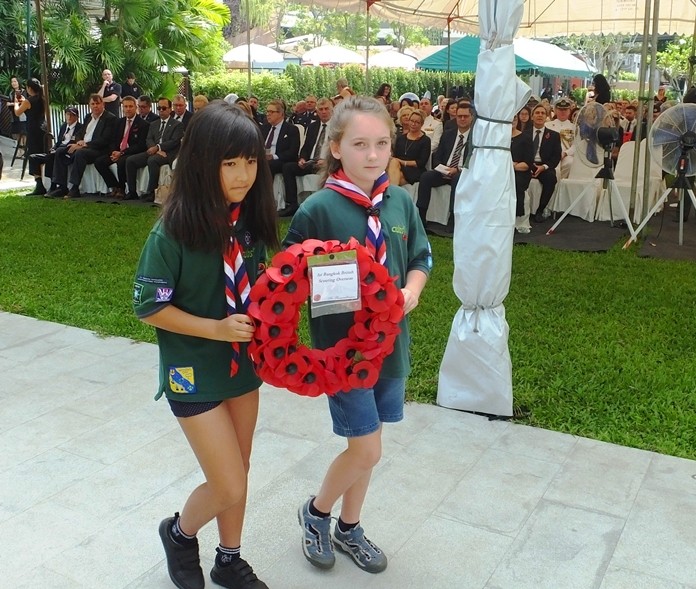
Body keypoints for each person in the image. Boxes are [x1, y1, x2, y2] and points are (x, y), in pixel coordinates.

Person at [133, 100, 278, 589]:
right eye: (229, 163)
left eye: (251, 162)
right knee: (228, 481)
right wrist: (216, 328)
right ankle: (178, 533)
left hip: (242, 368)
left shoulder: (249, 225)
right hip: (191, 368)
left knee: (241, 467)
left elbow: (258, 289)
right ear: (202, 163)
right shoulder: (172, 230)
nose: (242, 175)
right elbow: (150, 306)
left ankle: (229, 559)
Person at [283, 95, 430, 576]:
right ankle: (317, 512)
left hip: (391, 348)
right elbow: (286, 275)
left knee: (368, 445)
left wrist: (410, 290)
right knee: (367, 447)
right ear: (337, 147)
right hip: (342, 351)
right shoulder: (318, 209)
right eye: (360, 144)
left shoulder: (401, 202)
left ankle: (349, 525)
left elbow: (420, 259)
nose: (373, 155)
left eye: (382, 143)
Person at [416, 102, 474, 236]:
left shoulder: (476, 138)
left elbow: (474, 160)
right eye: (460, 116)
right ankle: (421, 216)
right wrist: (442, 168)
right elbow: (437, 155)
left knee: (458, 179)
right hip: (444, 170)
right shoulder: (448, 134)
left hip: (462, 172)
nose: (462, 119)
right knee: (426, 177)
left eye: (466, 116)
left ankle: (453, 219)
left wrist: (458, 169)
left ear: (471, 117)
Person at [46, 93, 117, 199]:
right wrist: (78, 142)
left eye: (98, 103)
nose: (95, 106)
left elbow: (104, 140)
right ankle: (61, 186)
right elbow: (80, 133)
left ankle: (75, 188)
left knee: (80, 153)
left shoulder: (110, 118)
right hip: (83, 146)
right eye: (93, 104)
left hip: (98, 149)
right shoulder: (88, 117)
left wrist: (85, 145)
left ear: (103, 104)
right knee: (60, 151)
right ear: (89, 105)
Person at [279, 97, 333, 217]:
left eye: (326, 109)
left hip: (328, 163)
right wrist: (302, 158)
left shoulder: (337, 127)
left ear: (332, 110)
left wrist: (327, 161)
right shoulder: (313, 127)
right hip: (311, 162)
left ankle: (327, 207)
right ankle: (292, 205)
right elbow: (306, 147)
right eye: (321, 109)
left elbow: (341, 150)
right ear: (317, 111)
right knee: (288, 167)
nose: (324, 112)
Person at [126, 97, 184, 201]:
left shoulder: (177, 124)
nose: (161, 110)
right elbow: (149, 138)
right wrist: (155, 149)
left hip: (168, 153)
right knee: (130, 160)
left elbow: (174, 141)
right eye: (159, 108)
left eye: (164, 108)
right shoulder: (154, 124)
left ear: (170, 109)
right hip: (154, 151)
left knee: (152, 160)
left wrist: (158, 147)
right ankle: (132, 191)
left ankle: (151, 192)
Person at [93, 95, 149, 199]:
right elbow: (113, 139)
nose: (128, 109)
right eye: (125, 106)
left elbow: (141, 146)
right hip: (117, 151)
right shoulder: (119, 122)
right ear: (122, 108)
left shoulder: (143, 124)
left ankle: (122, 189)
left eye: (130, 106)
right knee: (99, 162)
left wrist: (122, 153)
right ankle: (114, 186)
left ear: (136, 107)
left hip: (130, 153)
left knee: (122, 161)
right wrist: (114, 151)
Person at [35, 106, 83, 195]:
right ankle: (50, 185)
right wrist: (54, 148)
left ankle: (60, 186)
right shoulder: (64, 126)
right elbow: (59, 141)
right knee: (46, 156)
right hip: (60, 148)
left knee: (58, 153)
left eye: (72, 115)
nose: (69, 117)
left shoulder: (80, 128)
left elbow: (76, 141)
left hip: (69, 149)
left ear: (76, 117)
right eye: (68, 114)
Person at [529, 104, 562, 223]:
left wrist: (543, 167)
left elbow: (556, 156)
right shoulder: (524, 134)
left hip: (544, 166)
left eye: (543, 113)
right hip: (528, 165)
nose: (540, 115)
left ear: (547, 117)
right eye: (537, 113)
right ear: (532, 117)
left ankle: (540, 210)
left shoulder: (554, 135)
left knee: (551, 179)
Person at [13, 78, 45, 196]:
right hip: (42, 127)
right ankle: (44, 181)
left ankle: (39, 183)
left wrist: (16, 103)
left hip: (33, 129)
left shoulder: (28, 101)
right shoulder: (43, 99)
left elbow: (17, 112)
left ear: (29, 88)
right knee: (42, 153)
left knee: (33, 154)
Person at [388, 108, 431, 186]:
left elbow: (420, 163)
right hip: (398, 167)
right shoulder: (401, 138)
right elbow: (396, 156)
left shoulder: (425, 140)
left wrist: (402, 162)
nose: (413, 124)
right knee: (397, 173)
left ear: (422, 124)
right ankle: (393, 192)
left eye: (417, 122)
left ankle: (391, 193)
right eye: (411, 121)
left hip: (414, 170)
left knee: (394, 168)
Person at [262, 99, 300, 175]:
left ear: (281, 114)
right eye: (267, 111)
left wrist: (273, 156)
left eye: (271, 112)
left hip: (280, 160)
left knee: (268, 165)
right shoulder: (264, 128)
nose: (268, 114)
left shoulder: (291, 129)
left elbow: (292, 152)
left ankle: (267, 187)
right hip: (264, 158)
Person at [511, 112, 534, 230]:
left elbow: (527, 164)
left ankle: (516, 216)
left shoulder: (525, 138)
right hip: (501, 172)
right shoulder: (498, 138)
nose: (512, 120)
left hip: (519, 173)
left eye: (514, 117)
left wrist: (511, 167)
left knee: (515, 182)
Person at [545, 98, 575, 179]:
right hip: (551, 156)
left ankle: (562, 186)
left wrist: (566, 153)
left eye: (565, 109)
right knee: (555, 171)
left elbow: (576, 145)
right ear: (555, 110)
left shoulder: (574, 127)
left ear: (569, 110)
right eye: (560, 109)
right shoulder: (547, 125)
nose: (563, 111)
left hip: (566, 155)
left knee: (571, 163)